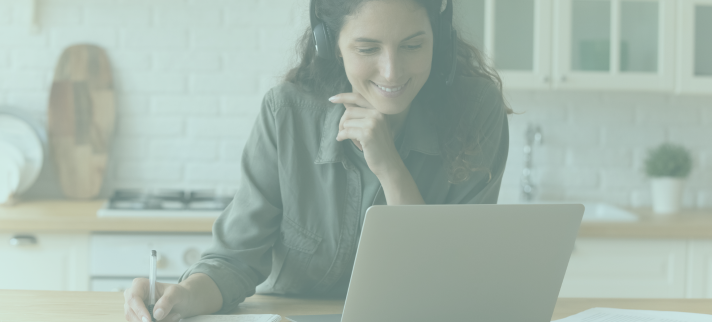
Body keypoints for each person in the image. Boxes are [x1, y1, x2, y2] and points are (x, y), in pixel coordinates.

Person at [123, 0, 510, 321]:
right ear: (330, 44)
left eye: (412, 45)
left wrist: (389, 166)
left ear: (438, 40)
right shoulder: (287, 112)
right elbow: (234, 261)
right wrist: (181, 296)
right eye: (368, 48)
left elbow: (447, 286)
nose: (392, 71)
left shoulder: (476, 111)